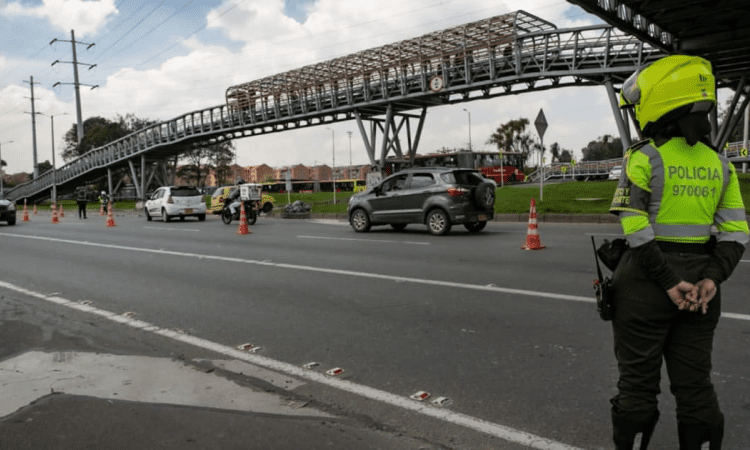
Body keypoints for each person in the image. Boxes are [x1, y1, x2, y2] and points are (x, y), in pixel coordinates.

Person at [608, 55, 749, 449]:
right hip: (703, 289)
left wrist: (671, 283)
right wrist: (710, 279)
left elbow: (634, 227)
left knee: (637, 386)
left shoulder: (644, 157)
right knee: (696, 386)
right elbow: (737, 233)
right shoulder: (721, 165)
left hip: (646, 287)